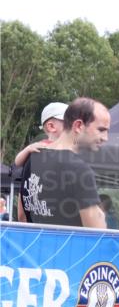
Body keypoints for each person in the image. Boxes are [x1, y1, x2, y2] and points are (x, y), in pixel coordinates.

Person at [19, 97, 110, 228]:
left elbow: (22, 216)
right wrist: (99, 217)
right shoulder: (79, 169)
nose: (105, 138)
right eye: (101, 130)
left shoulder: (32, 159)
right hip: (71, 242)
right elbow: (96, 235)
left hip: (34, 241)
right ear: (78, 126)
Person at [14, 102, 67, 167]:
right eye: (69, 122)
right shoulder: (40, 146)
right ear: (51, 126)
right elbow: (17, 163)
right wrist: (28, 149)